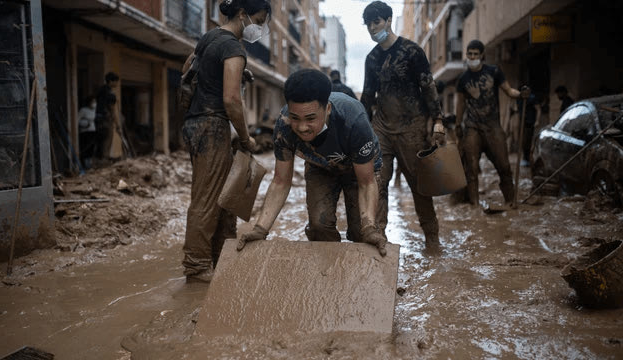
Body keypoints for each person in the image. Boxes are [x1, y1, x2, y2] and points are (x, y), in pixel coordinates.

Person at [237, 69, 387, 257]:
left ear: (328, 109)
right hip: (320, 167)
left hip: (360, 170)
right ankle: (328, 276)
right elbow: (280, 182)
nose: (301, 127)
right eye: (295, 118)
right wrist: (260, 229)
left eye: (310, 119)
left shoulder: (354, 120)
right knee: (319, 226)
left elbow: (366, 183)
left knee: (363, 233)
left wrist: (370, 228)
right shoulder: (284, 126)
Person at [181, 0, 270, 283]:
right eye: (258, 20)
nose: (259, 28)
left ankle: (220, 259)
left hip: (195, 122)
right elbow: (232, 100)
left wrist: (233, 72)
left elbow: (188, 71)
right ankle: (196, 266)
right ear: (242, 15)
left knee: (221, 196)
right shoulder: (233, 46)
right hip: (213, 125)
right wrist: (246, 138)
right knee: (207, 198)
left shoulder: (208, 38)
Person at [360, 1, 446, 248]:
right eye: (368, 24)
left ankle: (432, 239)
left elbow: (428, 86)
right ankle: (378, 237)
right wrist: (362, 130)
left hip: (413, 128)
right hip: (382, 129)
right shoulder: (372, 59)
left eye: (376, 22)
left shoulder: (412, 51)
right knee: (377, 183)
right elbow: (367, 96)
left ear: (388, 20)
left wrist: (438, 120)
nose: (373, 28)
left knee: (420, 186)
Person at [455, 39, 530, 207]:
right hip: (472, 127)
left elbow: (509, 90)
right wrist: (458, 125)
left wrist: (520, 95)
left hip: (493, 125)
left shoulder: (494, 71)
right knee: (472, 169)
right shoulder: (462, 79)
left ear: (482, 55)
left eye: (475, 54)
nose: (472, 57)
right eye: (470, 54)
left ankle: (510, 201)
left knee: (504, 165)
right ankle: (474, 204)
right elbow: (460, 104)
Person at [94, 72, 119, 160]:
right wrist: (117, 124)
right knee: (107, 141)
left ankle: (98, 160)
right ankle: (104, 162)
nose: (117, 84)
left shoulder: (100, 91)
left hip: (98, 119)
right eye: (116, 81)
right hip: (106, 120)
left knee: (99, 141)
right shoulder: (110, 94)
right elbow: (112, 110)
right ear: (111, 81)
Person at [516, 91, 540, 166]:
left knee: (527, 141)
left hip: (530, 122)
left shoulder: (532, 98)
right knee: (522, 141)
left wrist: (537, 120)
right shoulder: (519, 98)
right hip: (522, 122)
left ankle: (527, 159)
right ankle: (525, 158)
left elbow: (538, 109)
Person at [78, 96, 97, 169]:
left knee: (91, 148)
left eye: (95, 102)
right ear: (89, 102)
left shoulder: (94, 110)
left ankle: (90, 163)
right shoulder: (83, 110)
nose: (94, 104)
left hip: (92, 130)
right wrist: (84, 124)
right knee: (85, 147)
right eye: (93, 102)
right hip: (85, 131)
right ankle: (85, 164)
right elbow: (77, 120)